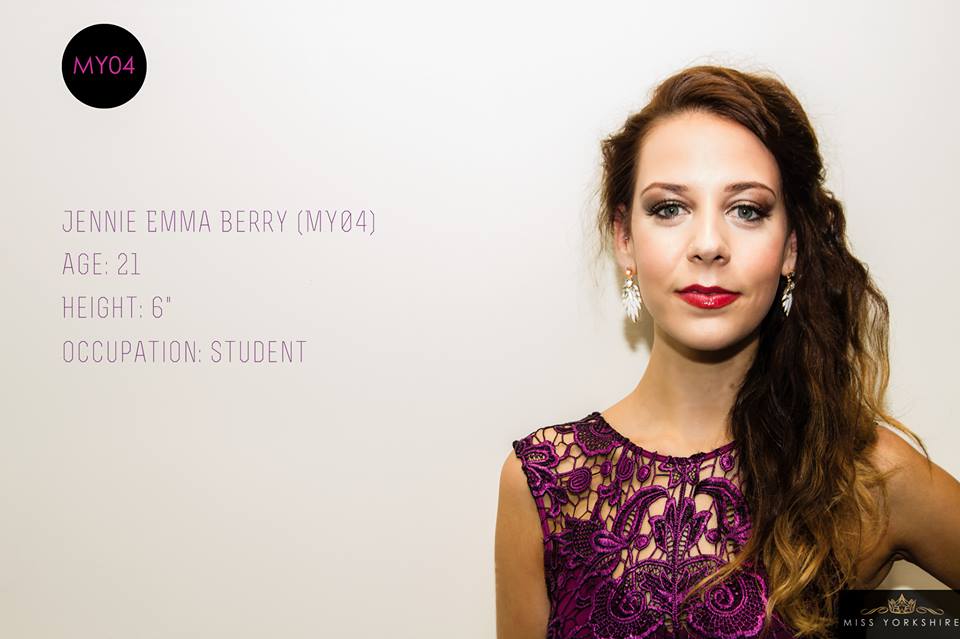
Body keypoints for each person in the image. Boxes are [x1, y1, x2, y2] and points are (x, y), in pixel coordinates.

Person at [494, 64, 960, 639]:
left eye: (747, 210)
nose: (710, 245)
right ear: (624, 239)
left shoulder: (865, 477)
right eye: (669, 208)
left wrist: (888, 626)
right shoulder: (544, 481)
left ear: (790, 247)